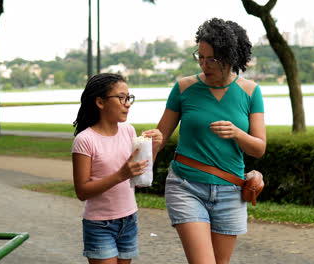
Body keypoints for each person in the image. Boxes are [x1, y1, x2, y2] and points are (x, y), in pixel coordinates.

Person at [155, 18, 266, 264]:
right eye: (200, 57)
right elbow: (160, 138)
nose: (204, 64)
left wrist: (237, 133)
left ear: (230, 58)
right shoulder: (184, 88)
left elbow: (259, 148)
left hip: (231, 191)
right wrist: (140, 161)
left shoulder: (250, 92)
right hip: (186, 186)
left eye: (212, 59)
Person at [72, 73, 162, 264]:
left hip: (129, 219)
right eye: (121, 98)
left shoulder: (128, 131)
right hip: (100, 224)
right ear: (100, 102)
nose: (127, 103)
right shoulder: (85, 140)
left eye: (129, 98)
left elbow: (140, 179)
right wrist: (121, 175)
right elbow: (82, 191)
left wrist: (154, 149)